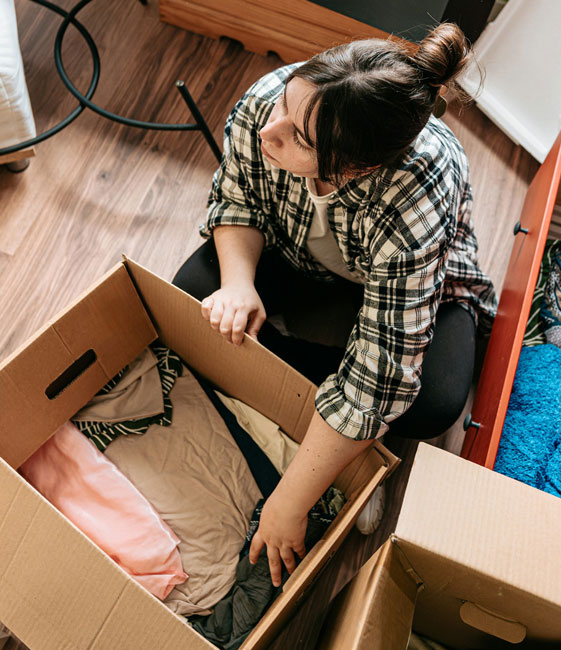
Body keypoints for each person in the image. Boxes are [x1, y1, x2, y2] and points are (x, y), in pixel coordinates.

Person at [172, 22, 497, 588]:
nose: (269, 130)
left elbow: (381, 380)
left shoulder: (416, 196)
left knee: (438, 400)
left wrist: (289, 502)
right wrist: (239, 283)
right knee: (195, 294)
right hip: (299, 250)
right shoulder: (276, 104)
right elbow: (236, 198)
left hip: (423, 282)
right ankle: (335, 427)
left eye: (297, 138)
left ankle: (306, 413)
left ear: (358, 169)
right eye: (285, 103)